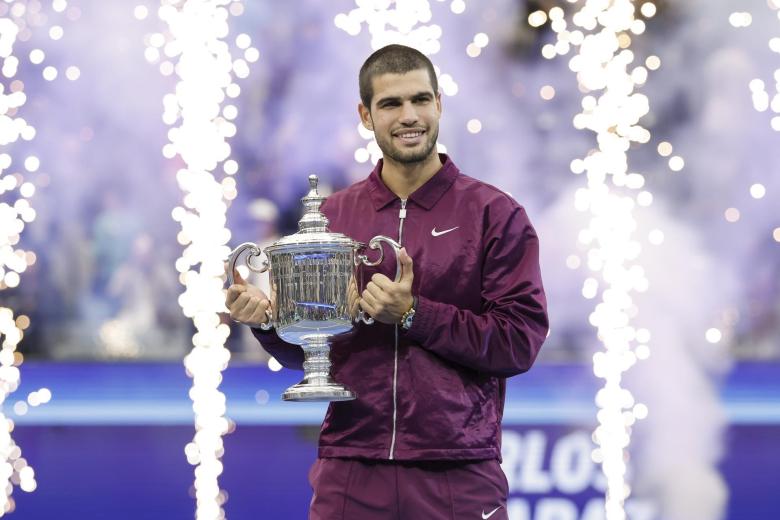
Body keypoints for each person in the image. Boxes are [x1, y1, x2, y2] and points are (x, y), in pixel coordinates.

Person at [226, 44, 548, 520]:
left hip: (456, 469)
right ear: (365, 114)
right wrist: (269, 324)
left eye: (420, 99)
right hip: (352, 465)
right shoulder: (332, 217)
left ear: (439, 103)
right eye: (391, 104)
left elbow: (518, 344)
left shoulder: (494, 214)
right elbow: (315, 352)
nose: (409, 116)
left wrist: (415, 313)